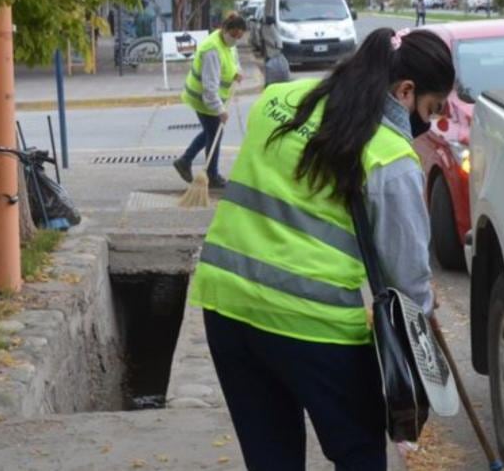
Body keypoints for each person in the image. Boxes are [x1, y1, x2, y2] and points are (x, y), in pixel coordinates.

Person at [188, 27, 454, 471]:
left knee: (271, 458)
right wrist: (425, 308)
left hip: (226, 306)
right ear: (405, 91)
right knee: (360, 453)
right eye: (431, 109)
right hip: (311, 322)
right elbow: (407, 281)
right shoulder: (389, 155)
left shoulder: (279, 99)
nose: (429, 123)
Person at [173, 14, 246, 189]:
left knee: (211, 133)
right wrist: (220, 110)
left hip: (212, 97)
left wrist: (238, 71)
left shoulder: (227, 44)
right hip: (204, 98)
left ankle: (185, 161)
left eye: (239, 37)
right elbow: (209, 88)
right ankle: (211, 176)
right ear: (224, 30)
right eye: (233, 35)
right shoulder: (212, 50)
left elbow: (233, 59)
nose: (235, 40)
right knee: (214, 134)